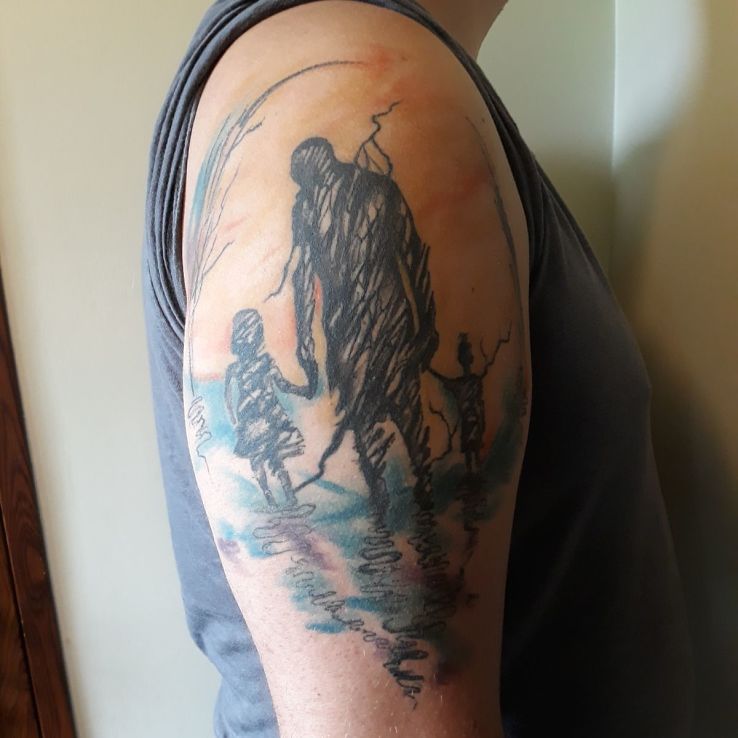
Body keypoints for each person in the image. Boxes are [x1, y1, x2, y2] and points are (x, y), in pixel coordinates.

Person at [143, 1, 693, 736]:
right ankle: (403, 526)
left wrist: (367, 335)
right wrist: (330, 343)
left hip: (382, 341)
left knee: (394, 432)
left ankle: (408, 518)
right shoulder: (342, 86)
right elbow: (327, 275)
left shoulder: (362, 117)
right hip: (372, 344)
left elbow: (389, 268)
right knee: (388, 435)